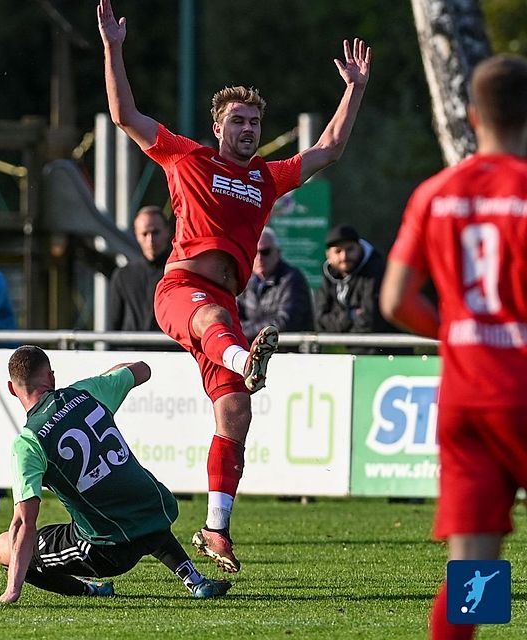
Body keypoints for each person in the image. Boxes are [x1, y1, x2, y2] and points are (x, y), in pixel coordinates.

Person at [98, 0, 370, 573]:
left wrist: (354, 89)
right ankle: (247, 358)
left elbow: (330, 150)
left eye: (254, 123)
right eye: (238, 121)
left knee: (235, 412)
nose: (247, 129)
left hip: (224, 306)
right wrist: (113, 48)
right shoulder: (186, 156)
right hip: (181, 291)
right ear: (217, 126)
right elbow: (124, 114)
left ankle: (216, 529)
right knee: (216, 324)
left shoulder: (266, 178)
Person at [380, 54, 527, 640]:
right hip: (522, 390)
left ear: (472, 116)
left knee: (474, 569)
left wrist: (458, 332)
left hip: (467, 399)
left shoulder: (436, 192)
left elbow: (395, 300)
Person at [0, 345, 232, 603]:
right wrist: (109, 379)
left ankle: (91, 590)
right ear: (51, 377)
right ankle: (195, 580)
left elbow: (24, 522)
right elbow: (142, 370)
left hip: (106, 549)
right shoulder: (86, 392)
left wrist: (12, 589)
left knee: (2, 547)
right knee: (131, 497)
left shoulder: (28, 443)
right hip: (155, 511)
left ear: (12, 389)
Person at [315, 224, 398, 348]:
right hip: (349, 352)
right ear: (328, 254)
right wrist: (351, 316)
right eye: (338, 251)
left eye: (350, 249)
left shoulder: (376, 271)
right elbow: (319, 320)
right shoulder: (328, 276)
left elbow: (371, 322)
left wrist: (337, 319)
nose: (344, 256)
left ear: (360, 247)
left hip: (385, 352)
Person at [237, 226, 313, 342]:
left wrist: (243, 332)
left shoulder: (292, 279)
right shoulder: (246, 280)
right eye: (254, 252)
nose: (259, 257)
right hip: (254, 348)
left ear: (278, 252)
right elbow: (234, 316)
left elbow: (286, 321)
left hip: (286, 349)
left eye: (265, 252)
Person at [108, 205, 170, 332]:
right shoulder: (123, 275)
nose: (150, 239)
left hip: (166, 344)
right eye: (144, 234)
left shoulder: (178, 272)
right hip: (131, 344)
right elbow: (114, 324)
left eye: (155, 232)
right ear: (136, 235)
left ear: (167, 232)